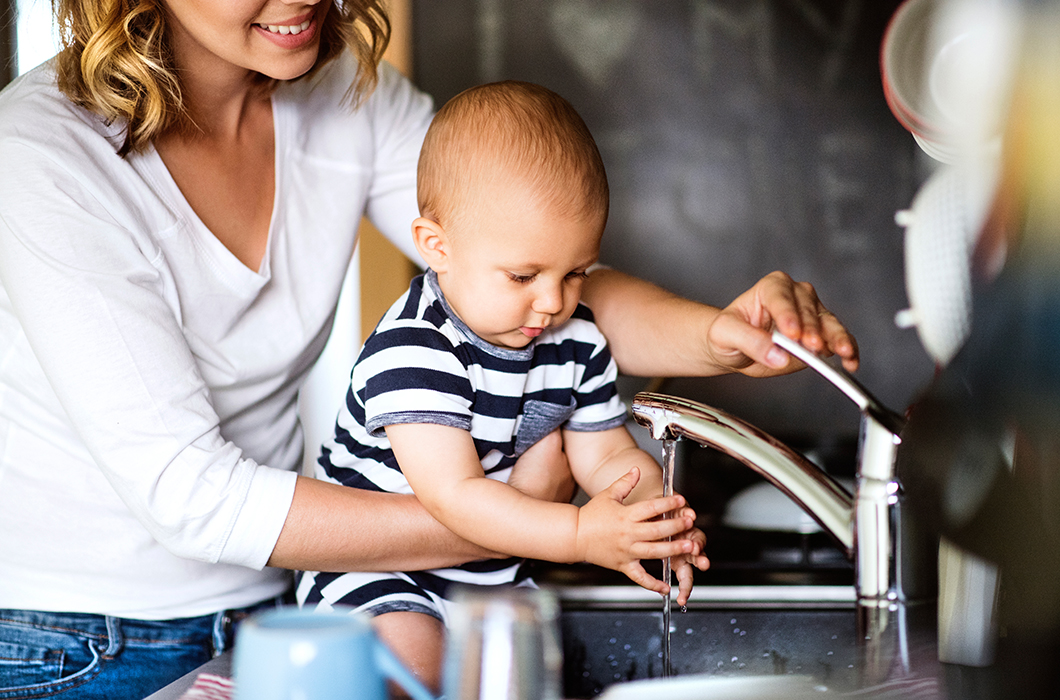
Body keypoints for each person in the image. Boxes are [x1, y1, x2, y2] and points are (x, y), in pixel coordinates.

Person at [0, 1, 858, 698]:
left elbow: (535, 280)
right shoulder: (43, 156)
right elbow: (194, 497)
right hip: (83, 643)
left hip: (278, 611)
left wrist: (721, 336)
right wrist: (544, 524)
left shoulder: (339, 91)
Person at [296, 80, 710, 688]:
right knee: (417, 660)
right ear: (437, 247)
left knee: (523, 672)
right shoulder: (415, 347)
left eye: (575, 272)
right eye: (523, 276)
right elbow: (455, 495)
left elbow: (606, 453)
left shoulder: (575, 335)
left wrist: (649, 515)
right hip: (381, 573)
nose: (551, 301)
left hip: (496, 576)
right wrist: (577, 534)